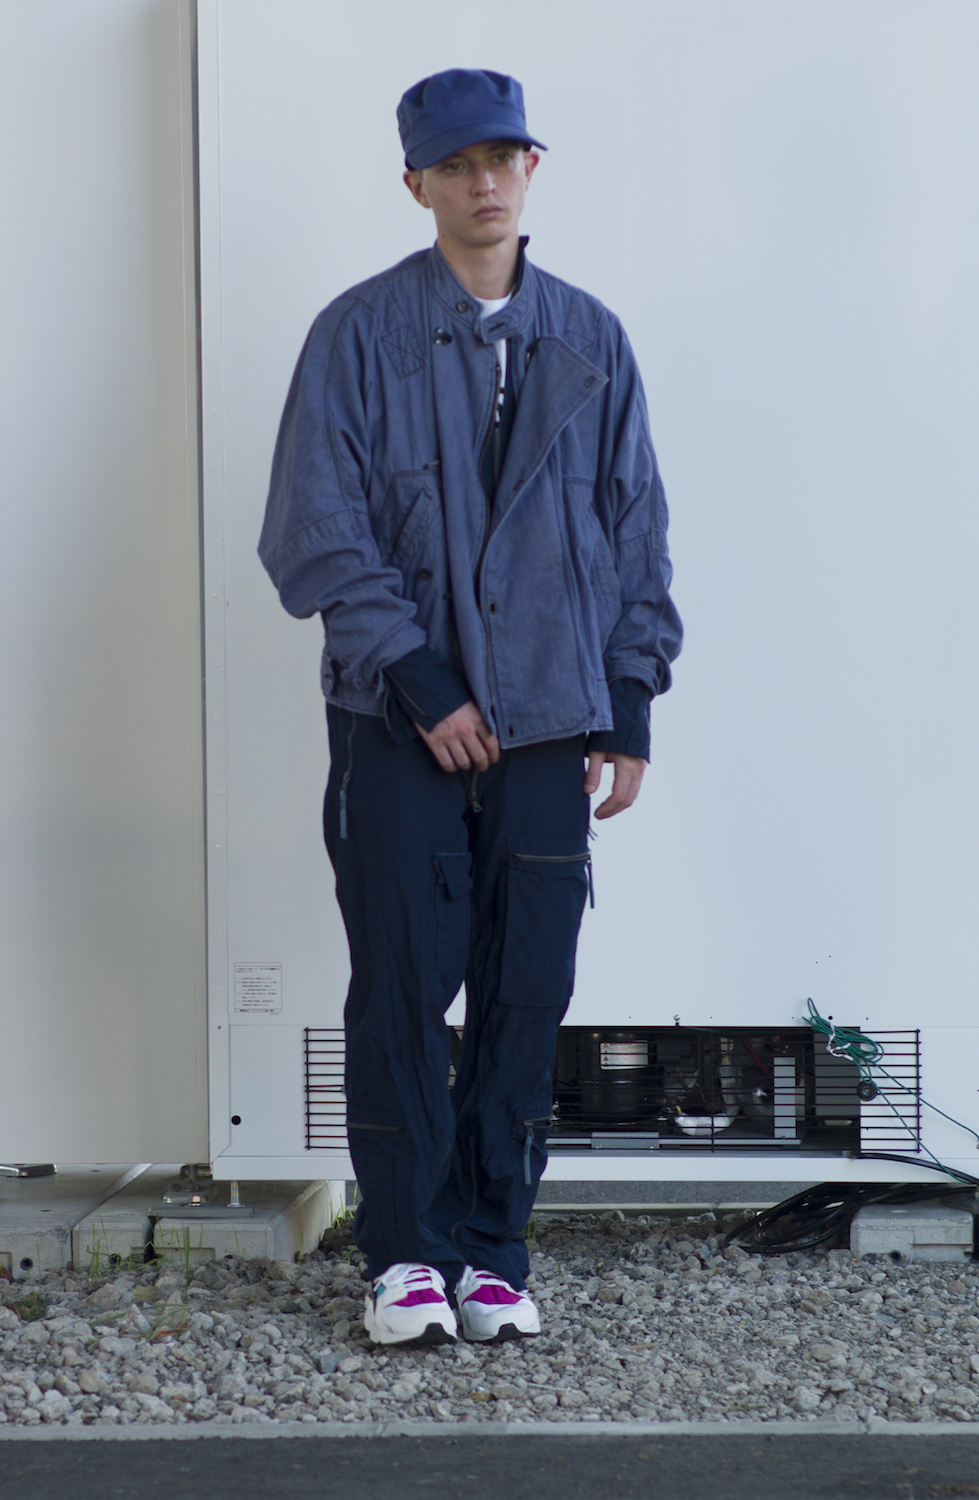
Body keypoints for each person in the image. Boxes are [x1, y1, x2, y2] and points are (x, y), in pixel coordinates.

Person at [259, 68, 682, 1346]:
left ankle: (493, 1249)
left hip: (550, 721)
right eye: (454, 164)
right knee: (399, 984)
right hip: (397, 723)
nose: (482, 181)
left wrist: (627, 696)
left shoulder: (590, 338)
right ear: (417, 185)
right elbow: (313, 528)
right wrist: (421, 679)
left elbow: (634, 528)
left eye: (502, 156)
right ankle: (404, 1252)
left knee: (524, 988)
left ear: (530, 169)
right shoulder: (356, 335)